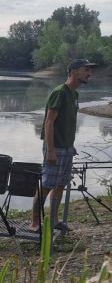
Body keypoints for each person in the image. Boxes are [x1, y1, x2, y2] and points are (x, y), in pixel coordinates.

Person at [29, 58, 97, 232]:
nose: (89, 73)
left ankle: (54, 220)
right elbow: (49, 122)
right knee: (47, 185)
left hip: (67, 148)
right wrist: (51, 150)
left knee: (60, 184)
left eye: (90, 70)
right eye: (86, 70)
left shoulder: (74, 94)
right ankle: (35, 222)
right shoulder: (59, 92)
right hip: (55, 148)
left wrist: (70, 146)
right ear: (74, 71)